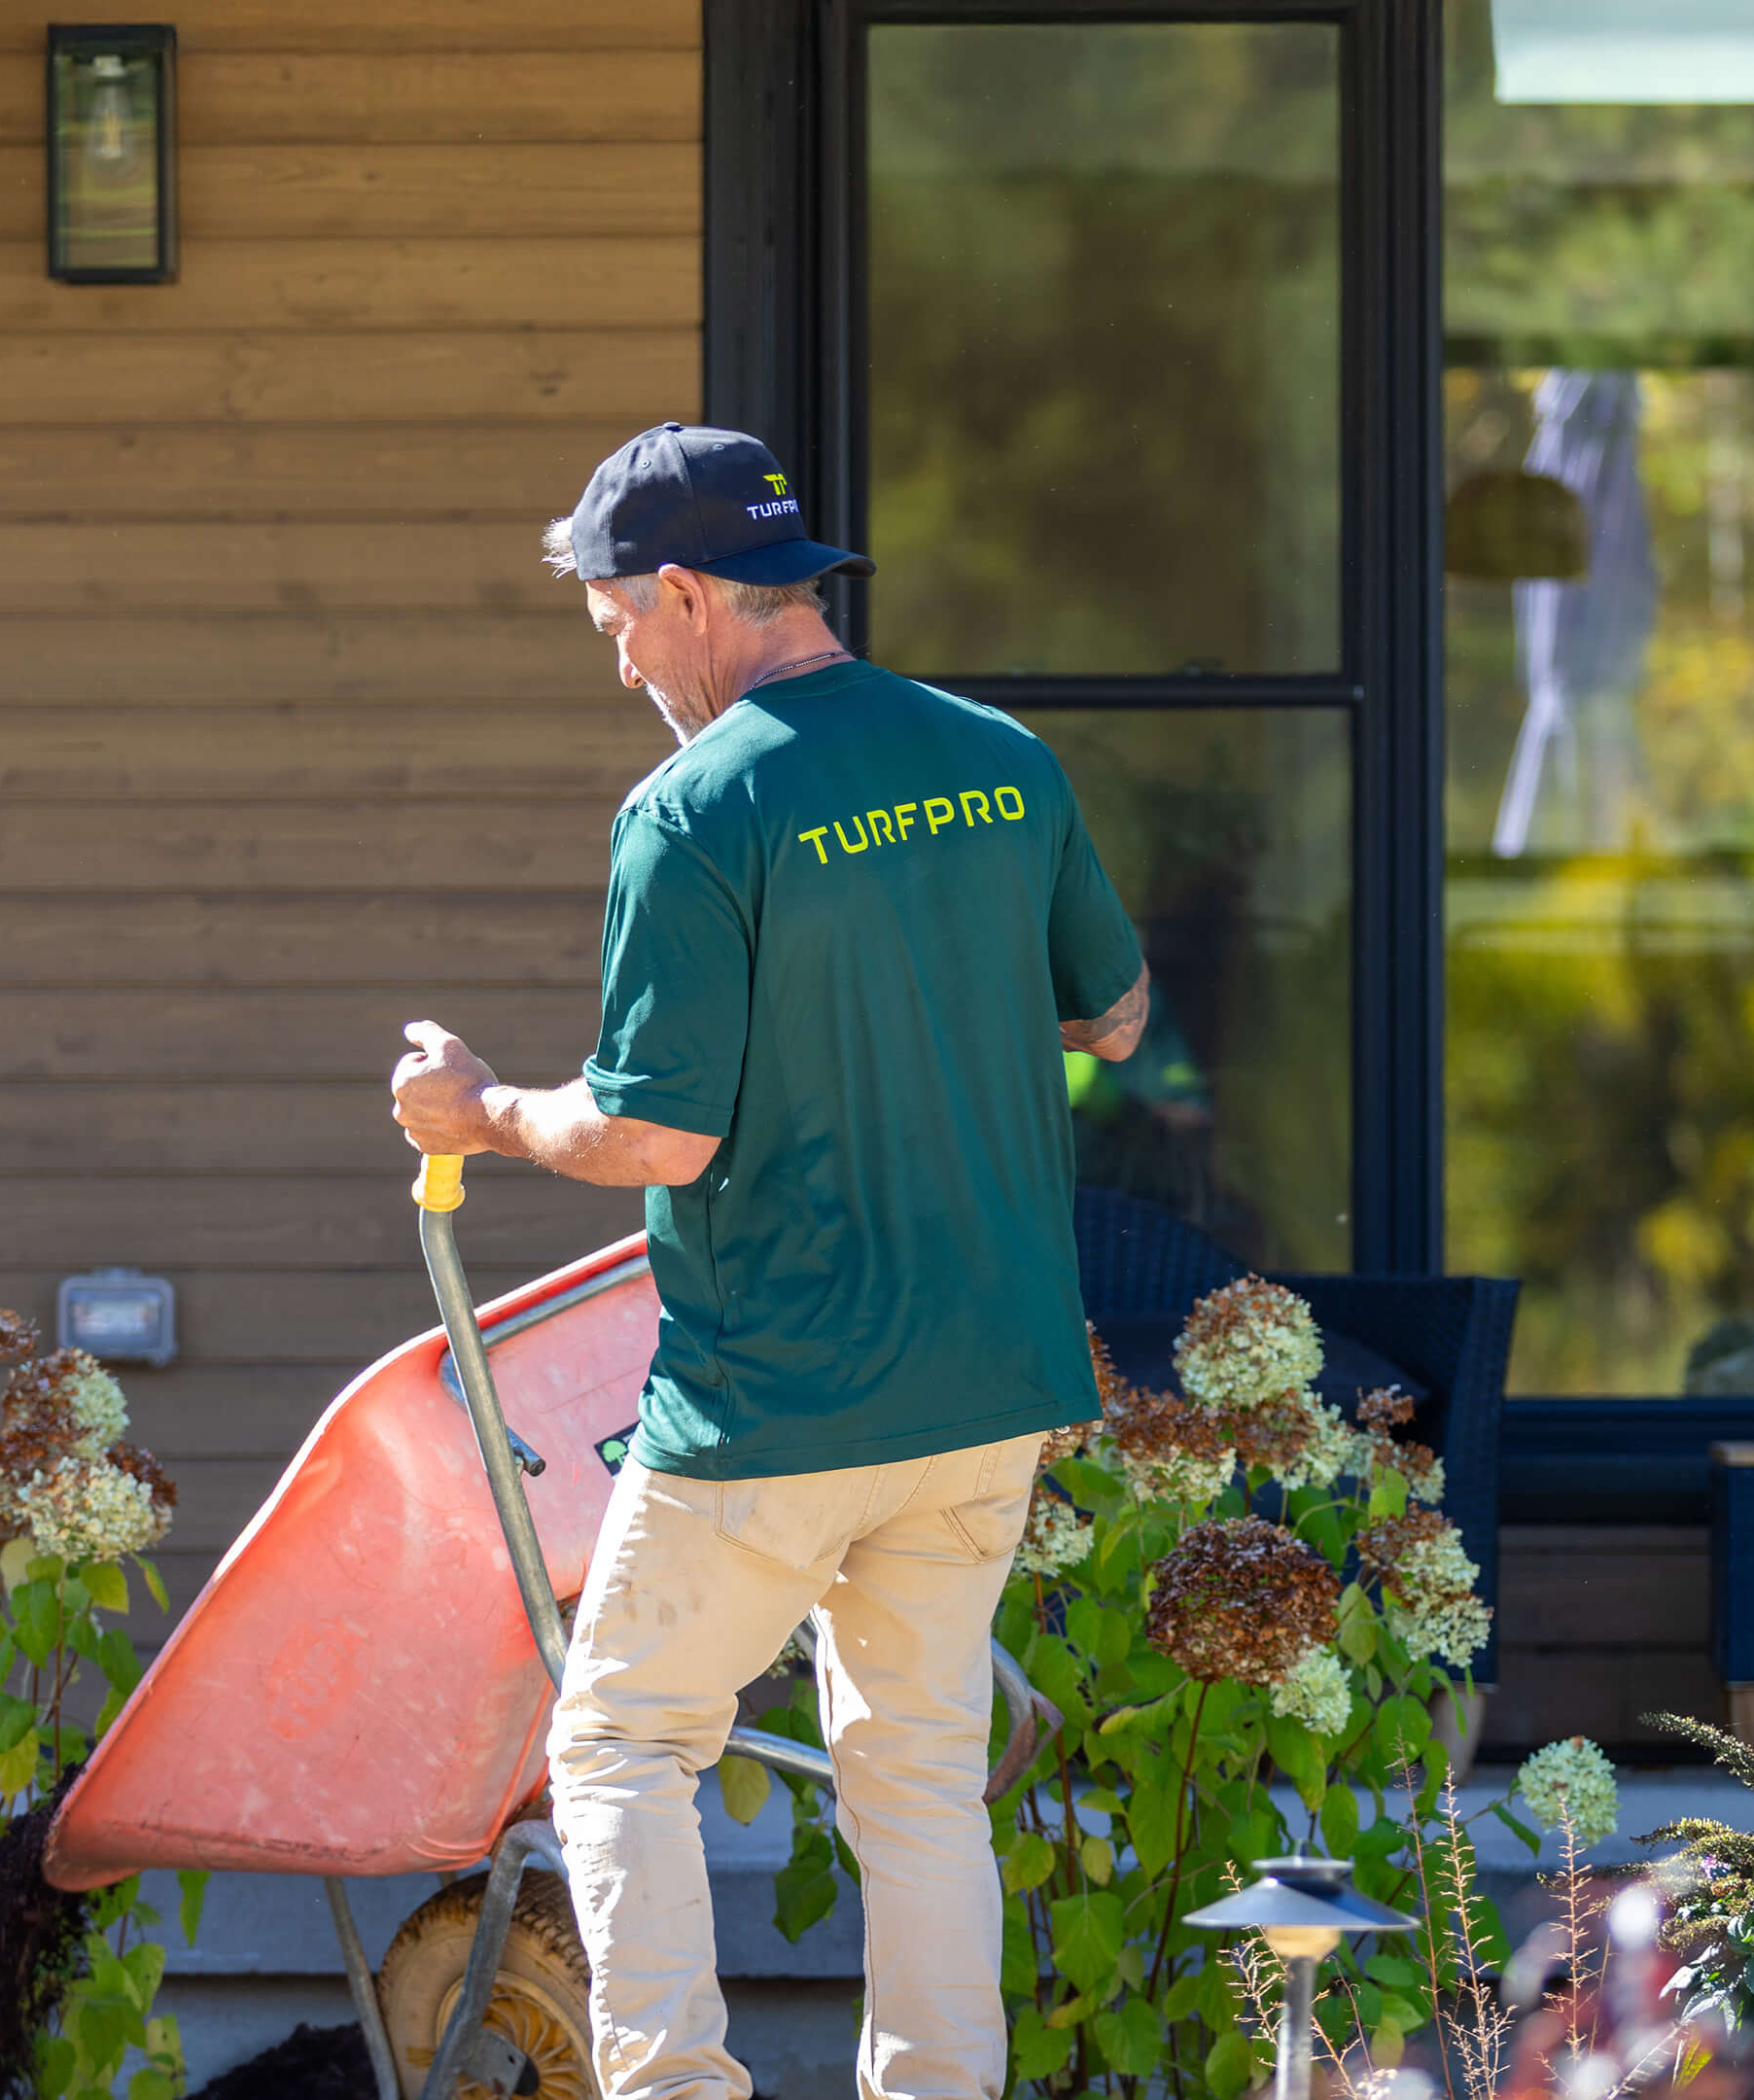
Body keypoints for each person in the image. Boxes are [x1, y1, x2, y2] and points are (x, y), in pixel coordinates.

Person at [386, 422, 1150, 2100]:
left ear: (680, 593)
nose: (626, 671)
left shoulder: (694, 808)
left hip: (778, 1393)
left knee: (619, 1742)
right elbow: (1115, 1012)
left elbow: (659, 1139)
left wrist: (484, 1105)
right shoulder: (1004, 762)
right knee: (921, 1774)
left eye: (619, 632)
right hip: (985, 1380)